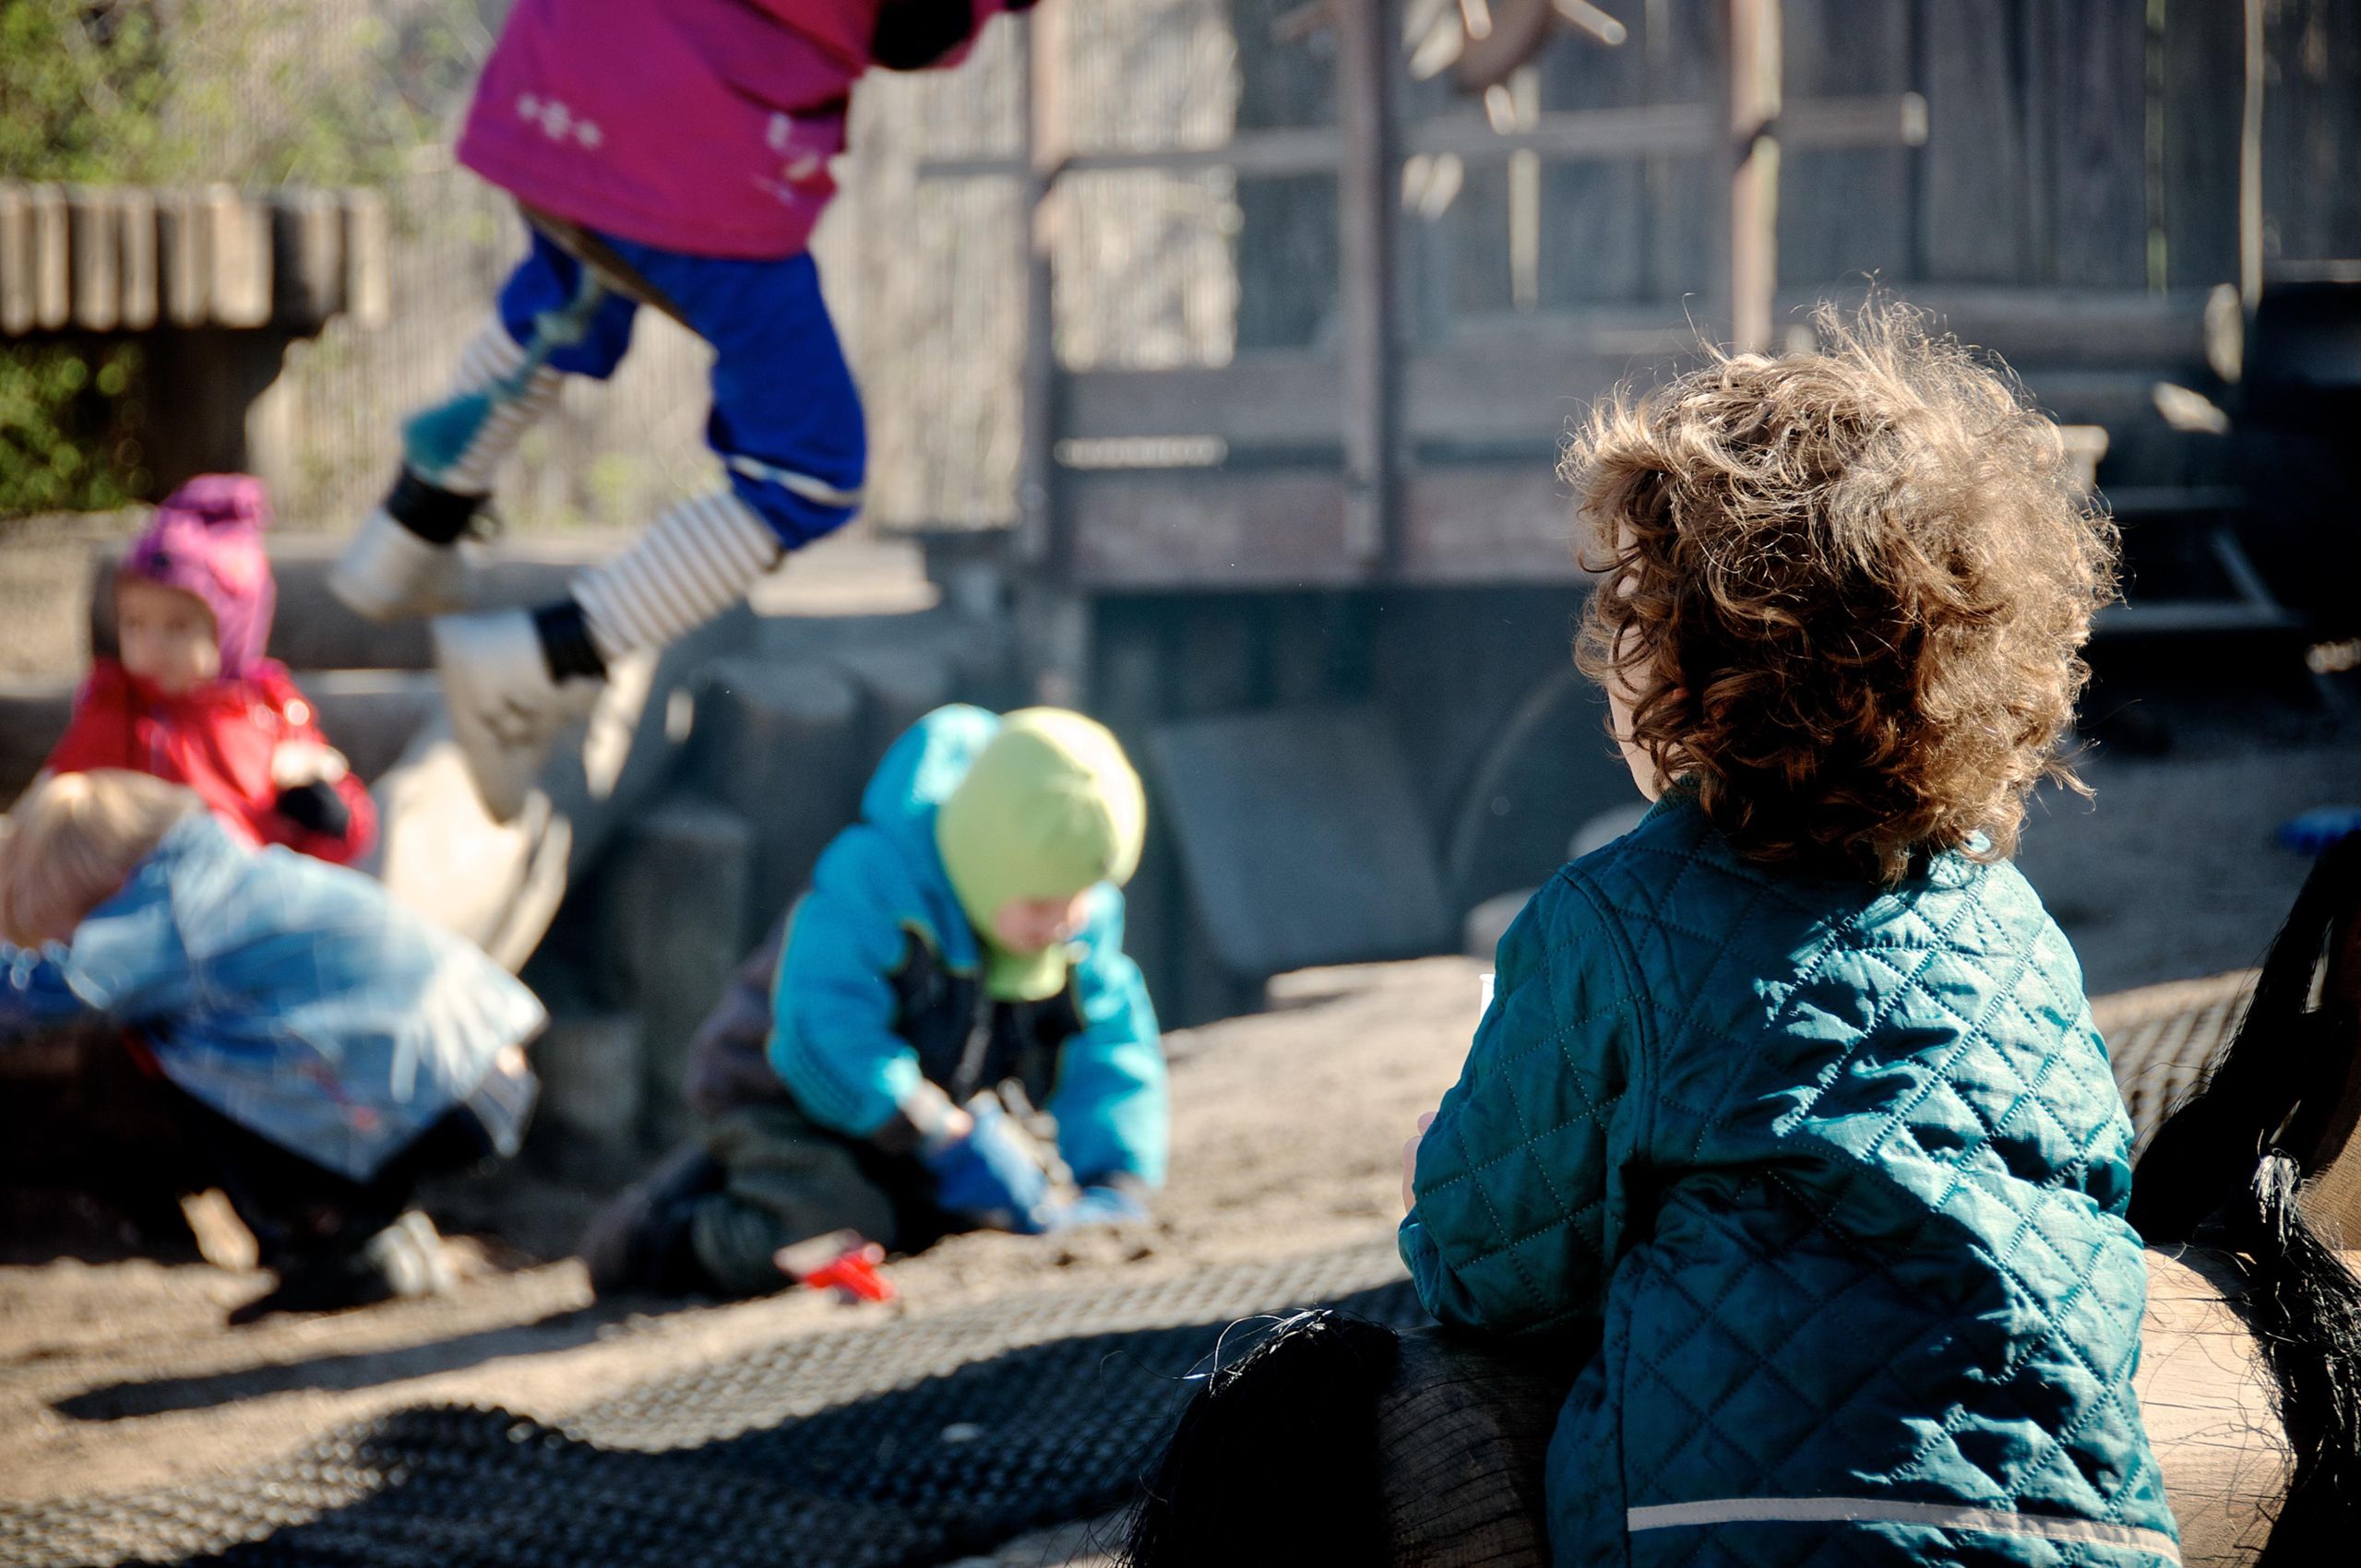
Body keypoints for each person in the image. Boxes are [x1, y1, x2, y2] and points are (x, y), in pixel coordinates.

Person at [1399, 307, 2178, 1565]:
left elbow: (1497, 1269)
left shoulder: (1611, 919)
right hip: (2079, 1527)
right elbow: (2092, 1197)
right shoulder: (2021, 935)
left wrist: (1438, 1188)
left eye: (1626, 613)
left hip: (1737, 1533)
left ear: (1680, 666)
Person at [326, 0, 1038, 820]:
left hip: (565, 63)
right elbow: (917, 30)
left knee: (571, 293)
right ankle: (543, 661)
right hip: (696, 139)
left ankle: (408, 532)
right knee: (810, 470)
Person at [582, 704, 1165, 1298]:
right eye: (1043, 902)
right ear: (989, 864)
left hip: (925, 1118)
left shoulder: (1067, 928)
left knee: (1004, 1202)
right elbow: (825, 1036)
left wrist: (1114, 1182)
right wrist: (943, 1131)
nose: (1066, 919)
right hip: (788, 1102)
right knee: (826, 1225)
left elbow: (1111, 1047)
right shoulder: (873, 885)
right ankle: (656, 1237)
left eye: (1084, 895)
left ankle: (890, 1191)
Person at [0, 770, 544, 1322]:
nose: (69, 943)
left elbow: (45, 994)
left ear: (86, 880)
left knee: (184, 1056)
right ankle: (383, 1234)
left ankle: (338, 1241)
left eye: (64, 929)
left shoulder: (168, 911)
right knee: (223, 1030)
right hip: (486, 1063)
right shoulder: (222, 869)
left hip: (440, 1091)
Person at [40, 474, 376, 865]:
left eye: (177, 627)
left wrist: (334, 821)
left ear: (231, 633)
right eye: (134, 623)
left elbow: (338, 817)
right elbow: (60, 803)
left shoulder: (271, 712)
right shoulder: (117, 711)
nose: (151, 644)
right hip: (143, 889)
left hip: (249, 887)